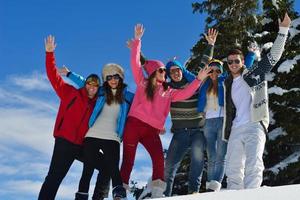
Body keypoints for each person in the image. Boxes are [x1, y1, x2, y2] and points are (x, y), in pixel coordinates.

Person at [119, 24, 212, 199]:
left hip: (150, 130)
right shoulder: (143, 83)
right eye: (161, 70)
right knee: (129, 159)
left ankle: (157, 192)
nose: (165, 73)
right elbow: (136, 63)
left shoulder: (169, 92)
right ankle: (120, 190)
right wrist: (137, 41)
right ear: (154, 72)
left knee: (158, 160)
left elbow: (186, 92)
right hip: (134, 125)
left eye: (164, 70)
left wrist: (198, 80)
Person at [223, 13, 291, 190]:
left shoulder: (253, 72)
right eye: (230, 62)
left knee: (253, 165)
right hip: (236, 128)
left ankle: (252, 195)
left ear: (242, 61)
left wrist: (283, 30)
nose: (233, 64)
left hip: (255, 124)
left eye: (236, 61)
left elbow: (274, 56)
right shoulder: (227, 83)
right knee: (232, 169)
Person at [38, 35, 100, 200]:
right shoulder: (70, 93)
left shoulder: (97, 104)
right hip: (64, 143)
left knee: (106, 163)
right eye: (89, 83)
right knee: (54, 177)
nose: (92, 88)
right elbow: (53, 76)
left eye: (95, 85)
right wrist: (49, 54)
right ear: (85, 84)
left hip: (81, 145)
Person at [60, 63, 134, 200]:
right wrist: (70, 74)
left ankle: (117, 194)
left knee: (113, 168)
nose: (113, 80)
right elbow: (84, 83)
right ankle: (82, 196)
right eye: (109, 77)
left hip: (113, 137)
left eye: (116, 77)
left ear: (121, 79)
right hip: (93, 135)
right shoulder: (101, 91)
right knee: (87, 169)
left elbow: (143, 107)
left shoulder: (129, 97)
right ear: (106, 80)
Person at [163, 29, 218, 196]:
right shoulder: (167, 90)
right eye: (172, 72)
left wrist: (210, 45)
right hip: (179, 133)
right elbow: (148, 73)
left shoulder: (195, 82)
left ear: (182, 71)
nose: (176, 73)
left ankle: (193, 192)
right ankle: (165, 194)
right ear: (169, 75)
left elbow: (204, 65)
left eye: (178, 70)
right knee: (170, 164)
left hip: (197, 130)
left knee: (197, 161)